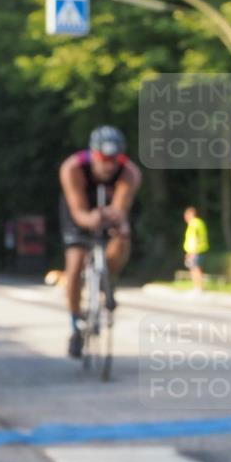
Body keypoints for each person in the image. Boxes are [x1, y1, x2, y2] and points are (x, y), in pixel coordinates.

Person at [59, 126, 141, 358]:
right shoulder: (72, 168)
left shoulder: (129, 172)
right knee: (74, 266)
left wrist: (117, 220)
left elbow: (121, 207)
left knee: (123, 236)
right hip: (80, 211)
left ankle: (108, 278)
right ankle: (76, 324)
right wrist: (90, 218)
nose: (109, 165)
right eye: (104, 159)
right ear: (93, 154)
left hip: (108, 211)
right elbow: (78, 212)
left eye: (114, 159)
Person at [183, 206, 209, 293]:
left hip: (196, 250)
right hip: (200, 249)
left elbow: (194, 239)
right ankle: (198, 287)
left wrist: (191, 252)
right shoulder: (199, 222)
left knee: (195, 269)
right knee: (196, 268)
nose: (185, 218)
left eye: (186, 215)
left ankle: (198, 288)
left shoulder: (194, 224)